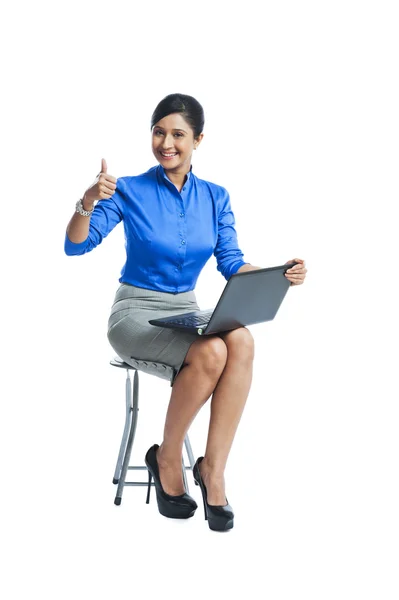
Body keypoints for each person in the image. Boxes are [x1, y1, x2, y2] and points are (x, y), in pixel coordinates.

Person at [64, 93, 307, 531]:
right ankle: (168, 458)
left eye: (178, 134)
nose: (166, 142)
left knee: (242, 340)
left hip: (185, 311)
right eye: (159, 132)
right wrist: (87, 200)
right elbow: (75, 245)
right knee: (212, 353)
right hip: (135, 313)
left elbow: (232, 262)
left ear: (198, 139)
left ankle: (212, 471)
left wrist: (278, 273)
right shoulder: (129, 190)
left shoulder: (216, 197)